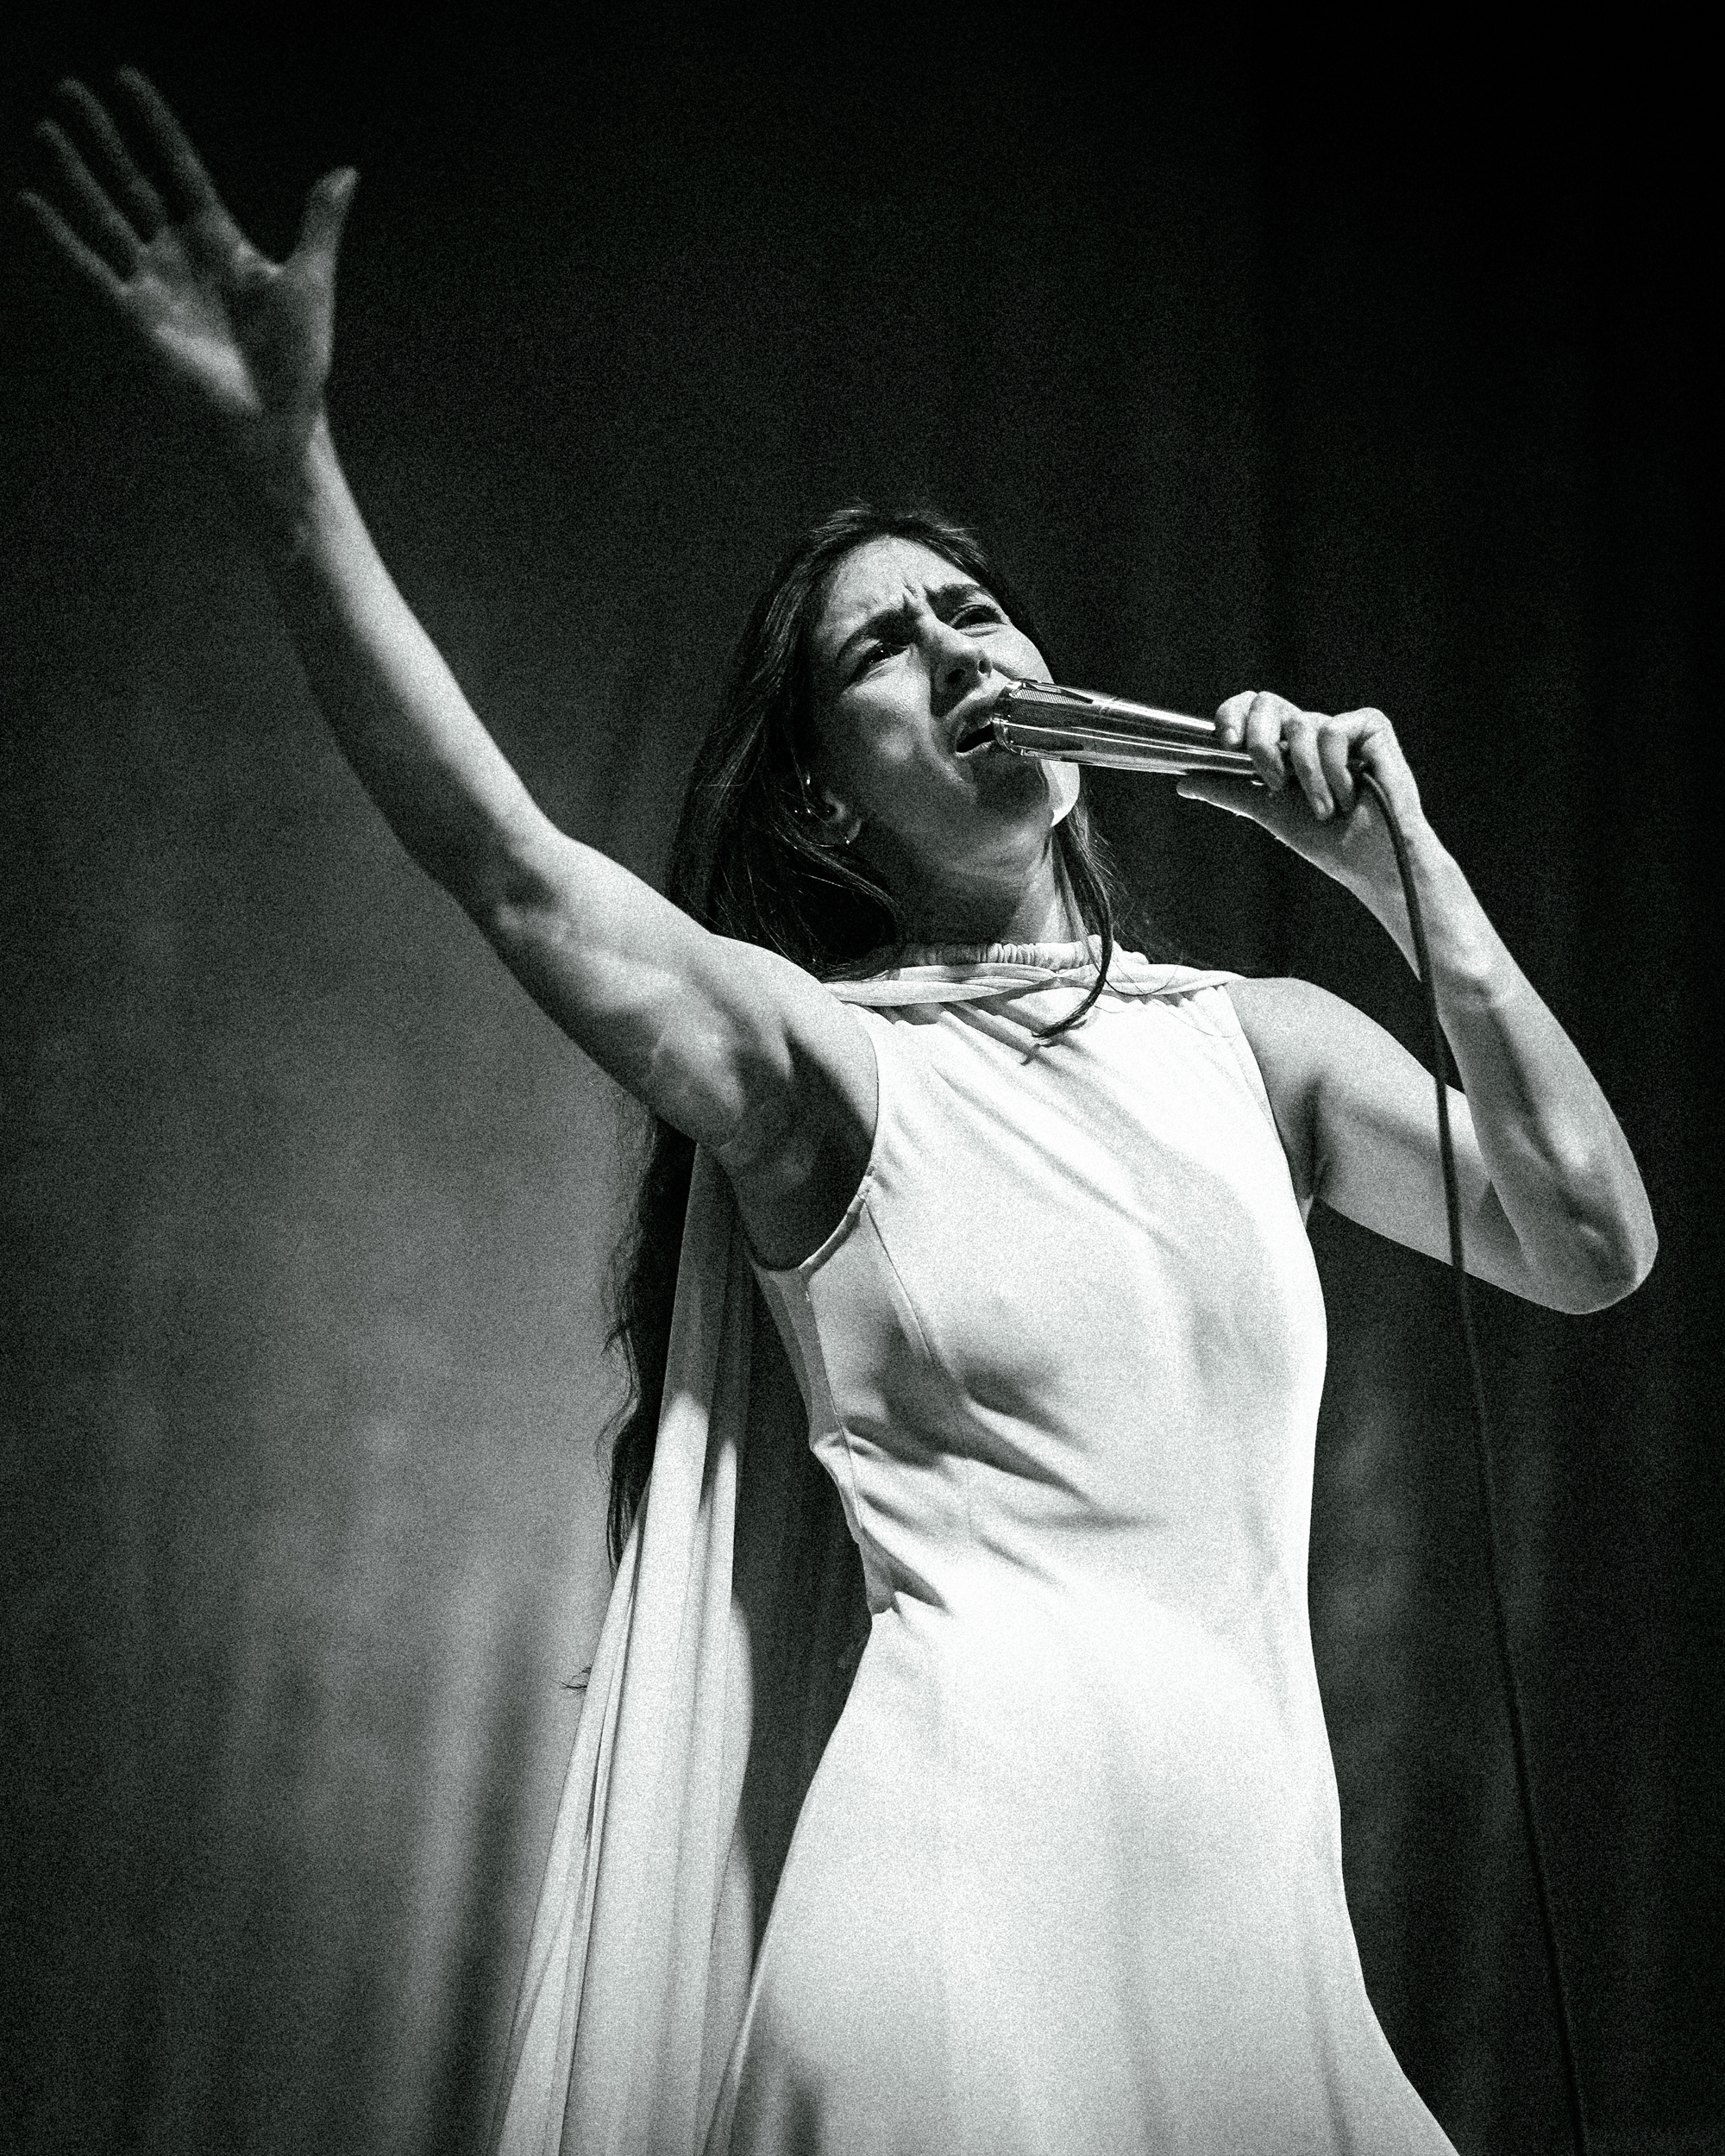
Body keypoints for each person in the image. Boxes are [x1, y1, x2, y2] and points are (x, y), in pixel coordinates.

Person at [22, 72, 1657, 2156]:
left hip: (1261, 1941)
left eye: (972, 603)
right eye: (886, 644)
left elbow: (1590, 1241)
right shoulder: (824, 1064)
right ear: (820, 782)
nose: (957, 645)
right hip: (954, 1925)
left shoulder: (1256, 1041)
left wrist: (1406, 889)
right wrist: (286, 474)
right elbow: (515, 865)